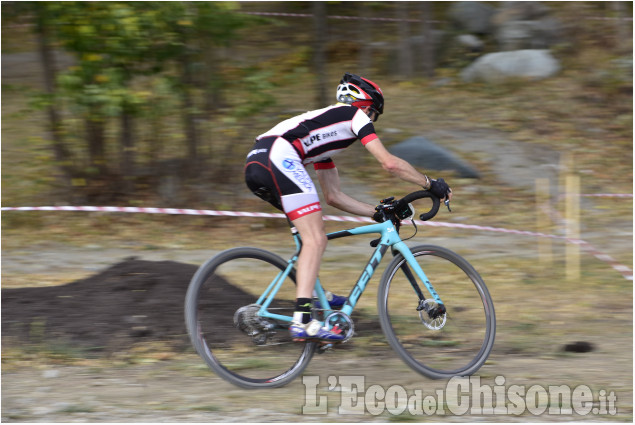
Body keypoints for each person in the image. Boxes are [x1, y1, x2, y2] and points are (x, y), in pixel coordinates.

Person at [245, 72, 451, 342]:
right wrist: (430, 184)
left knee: (311, 237)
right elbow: (389, 163)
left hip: (257, 162)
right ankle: (302, 320)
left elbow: (333, 196)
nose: (372, 120)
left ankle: (322, 299)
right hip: (279, 157)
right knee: (316, 238)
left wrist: (377, 213)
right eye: (373, 114)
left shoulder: (324, 139)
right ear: (366, 106)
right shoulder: (354, 116)